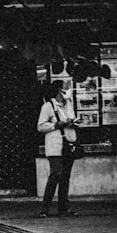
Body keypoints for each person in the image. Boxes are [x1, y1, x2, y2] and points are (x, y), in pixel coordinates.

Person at [37, 79, 80, 217]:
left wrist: (73, 123)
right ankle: (45, 208)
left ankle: (63, 207)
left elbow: (71, 118)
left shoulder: (69, 104)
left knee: (65, 177)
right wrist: (57, 124)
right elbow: (41, 126)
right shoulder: (48, 106)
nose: (68, 91)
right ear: (58, 91)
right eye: (65, 88)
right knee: (55, 174)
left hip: (68, 144)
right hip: (55, 146)